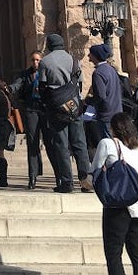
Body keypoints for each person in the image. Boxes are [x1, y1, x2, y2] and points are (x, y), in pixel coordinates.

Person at [92, 112, 138, 275]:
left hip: (117, 207)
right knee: (137, 255)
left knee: (114, 255)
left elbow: (93, 171)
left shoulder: (107, 144)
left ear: (113, 128)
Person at [39, 33, 91, 193]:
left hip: (56, 109)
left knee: (61, 146)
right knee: (80, 144)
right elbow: (80, 83)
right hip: (74, 107)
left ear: (49, 45)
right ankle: (86, 182)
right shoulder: (74, 60)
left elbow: (42, 85)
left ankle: (67, 182)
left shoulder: (45, 62)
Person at [14, 51, 55, 189]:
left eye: (37, 60)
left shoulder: (47, 72)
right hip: (31, 109)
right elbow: (18, 84)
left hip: (45, 109)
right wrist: (10, 88)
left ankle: (59, 175)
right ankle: (33, 176)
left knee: (50, 142)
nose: (35, 63)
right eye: (33, 60)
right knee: (32, 142)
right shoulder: (26, 74)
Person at [86, 43, 123, 146]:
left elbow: (101, 96)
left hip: (106, 114)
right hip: (116, 111)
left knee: (110, 144)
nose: (89, 57)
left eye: (91, 54)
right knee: (117, 143)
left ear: (96, 55)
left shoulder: (98, 72)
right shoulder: (111, 69)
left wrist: (88, 101)